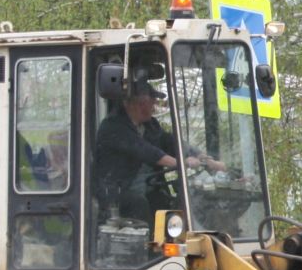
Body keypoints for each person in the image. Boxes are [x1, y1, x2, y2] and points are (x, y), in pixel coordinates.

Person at [94, 79, 223, 220]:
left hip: (149, 187)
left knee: (171, 206)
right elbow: (146, 151)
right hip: (118, 192)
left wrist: (204, 158)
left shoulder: (149, 125)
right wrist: (181, 163)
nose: (153, 109)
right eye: (148, 104)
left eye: (151, 104)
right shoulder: (113, 126)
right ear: (130, 104)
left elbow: (171, 142)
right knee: (138, 204)